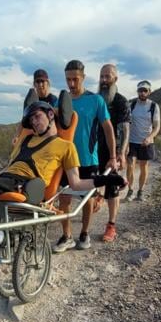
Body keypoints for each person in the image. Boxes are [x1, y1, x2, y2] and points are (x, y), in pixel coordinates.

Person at [0, 100, 124, 256]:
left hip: (28, 184)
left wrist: (108, 179)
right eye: (31, 119)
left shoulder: (66, 146)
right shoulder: (26, 139)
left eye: (37, 116)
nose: (34, 122)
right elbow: (12, 165)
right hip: (7, 178)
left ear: (51, 115)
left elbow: (76, 182)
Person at [53, 60, 118, 252]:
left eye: (75, 79)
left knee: (87, 199)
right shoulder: (61, 102)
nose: (71, 84)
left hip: (88, 159)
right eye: (68, 80)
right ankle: (67, 236)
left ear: (83, 78)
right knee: (63, 199)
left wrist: (113, 156)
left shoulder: (95, 100)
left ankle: (84, 233)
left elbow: (108, 129)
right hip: (65, 160)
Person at [97, 64, 130, 242]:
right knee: (94, 181)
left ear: (115, 79)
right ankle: (99, 197)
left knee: (112, 189)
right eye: (101, 76)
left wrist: (122, 153)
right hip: (96, 150)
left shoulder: (120, 101)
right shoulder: (96, 99)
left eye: (107, 77)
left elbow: (125, 129)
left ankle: (111, 225)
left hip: (114, 151)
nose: (103, 80)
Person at [126, 80, 160, 201]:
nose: (142, 93)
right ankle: (130, 191)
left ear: (149, 92)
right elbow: (126, 123)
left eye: (145, 90)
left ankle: (140, 191)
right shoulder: (131, 105)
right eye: (140, 90)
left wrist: (150, 137)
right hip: (132, 140)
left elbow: (157, 126)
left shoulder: (153, 106)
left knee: (143, 166)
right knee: (130, 165)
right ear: (137, 91)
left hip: (146, 141)